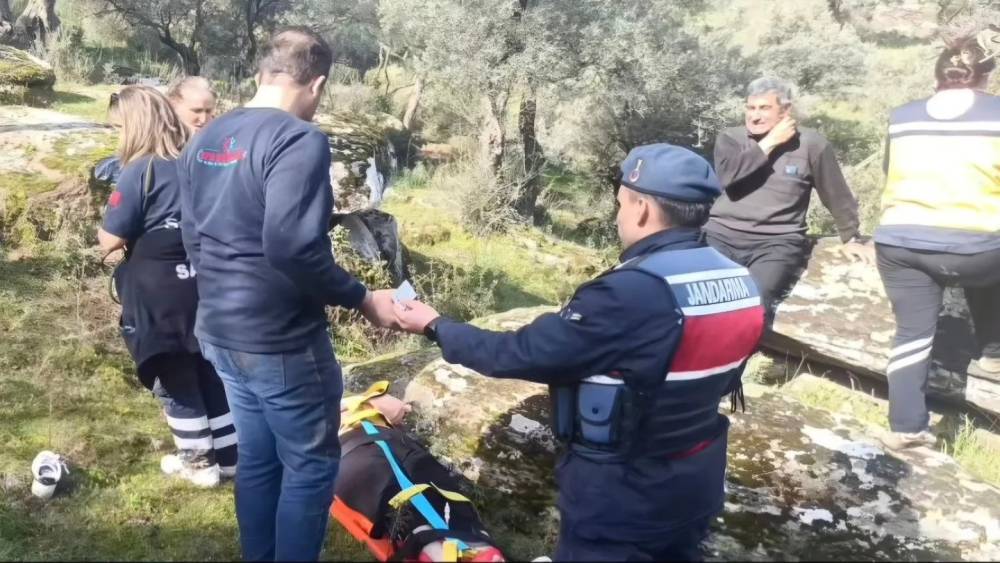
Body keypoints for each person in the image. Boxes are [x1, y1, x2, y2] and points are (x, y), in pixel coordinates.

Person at [394, 144, 766, 561]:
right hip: (697, 480)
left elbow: (521, 353)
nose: (618, 216)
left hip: (625, 496)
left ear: (642, 209)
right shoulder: (740, 281)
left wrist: (434, 325)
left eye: (621, 204)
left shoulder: (632, 291)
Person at [178, 28, 397, 561]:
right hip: (280, 340)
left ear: (263, 72)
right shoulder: (298, 139)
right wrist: (362, 297)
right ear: (316, 84)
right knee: (310, 465)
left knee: (258, 459)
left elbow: (191, 233)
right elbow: (292, 246)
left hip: (218, 328)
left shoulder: (207, 135)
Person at [96, 86, 237, 487]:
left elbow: (111, 239)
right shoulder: (199, 162)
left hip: (157, 290)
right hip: (203, 282)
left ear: (135, 126)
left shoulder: (141, 170)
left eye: (119, 128)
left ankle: (198, 463)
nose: (118, 136)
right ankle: (230, 458)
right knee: (207, 367)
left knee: (171, 372)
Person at [874, 31, 1000, 450]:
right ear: (986, 77)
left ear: (937, 77)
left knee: (911, 332)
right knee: (989, 270)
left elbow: (890, 172)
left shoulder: (902, 117)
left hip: (899, 240)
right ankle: (993, 352)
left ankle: (906, 427)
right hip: (977, 246)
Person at [706, 77, 871, 326]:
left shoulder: (811, 144)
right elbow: (729, 177)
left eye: (764, 108)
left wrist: (851, 237)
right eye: (750, 108)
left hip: (776, 243)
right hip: (720, 236)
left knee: (753, 305)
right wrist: (770, 142)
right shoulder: (731, 138)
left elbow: (835, 192)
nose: (755, 116)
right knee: (702, 299)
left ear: (785, 110)